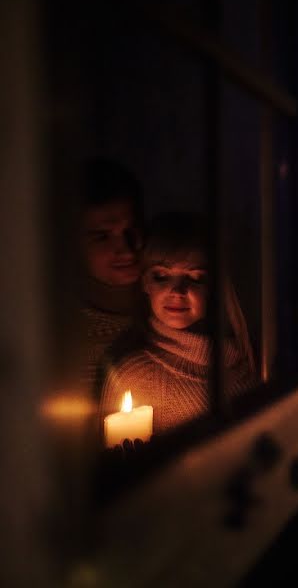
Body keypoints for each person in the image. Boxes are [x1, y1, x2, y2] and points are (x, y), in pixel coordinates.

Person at [100, 212, 256, 437]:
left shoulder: (245, 358)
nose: (177, 291)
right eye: (161, 276)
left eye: (195, 278)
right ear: (145, 282)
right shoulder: (136, 376)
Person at [78, 158, 144, 385]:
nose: (125, 248)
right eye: (102, 236)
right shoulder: (64, 338)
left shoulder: (177, 308)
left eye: (131, 230)